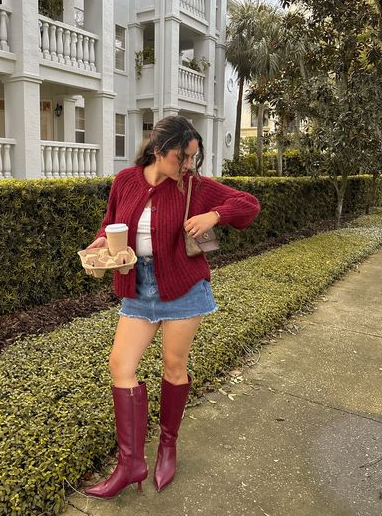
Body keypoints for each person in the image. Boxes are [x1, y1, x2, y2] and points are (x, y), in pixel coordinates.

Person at [84, 115, 260, 499]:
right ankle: (131, 462)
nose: (188, 166)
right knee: (120, 366)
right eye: (182, 158)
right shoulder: (126, 181)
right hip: (139, 288)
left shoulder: (194, 186)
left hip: (183, 288)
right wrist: (102, 241)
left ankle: (168, 445)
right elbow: (110, 222)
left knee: (173, 365)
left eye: (193, 158)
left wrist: (215, 214)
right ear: (159, 151)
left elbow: (248, 204)